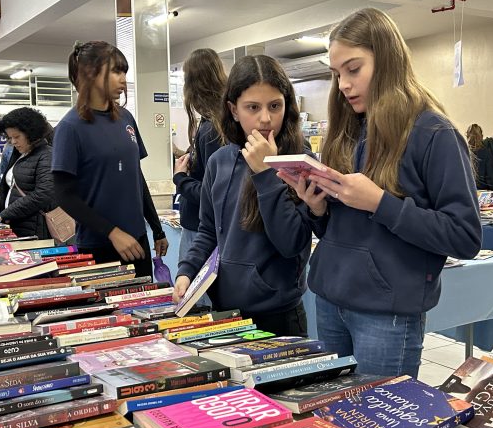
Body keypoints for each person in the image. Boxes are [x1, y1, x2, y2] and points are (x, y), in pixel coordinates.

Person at [279, 8, 481, 378]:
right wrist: (318, 210)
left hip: (386, 315)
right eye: (337, 73)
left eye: (353, 69)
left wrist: (380, 203)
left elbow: (465, 237)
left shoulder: (434, 133)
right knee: (333, 422)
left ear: (387, 61)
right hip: (328, 299)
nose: (343, 84)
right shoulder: (348, 130)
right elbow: (338, 232)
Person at [174, 55, 312, 337]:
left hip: (278, 315)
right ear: (233, 110)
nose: (265, 118)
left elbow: (292, 243)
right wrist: (187, 271)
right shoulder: (221, 161)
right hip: (225, 314)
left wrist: (265, 173)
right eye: (253, 107)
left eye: (275, 106)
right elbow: (208, 231)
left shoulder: (299, 161)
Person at [52, 41, 168, 279]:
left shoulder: (126, 118)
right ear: (91, 74)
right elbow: (64, 195)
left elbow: (136, 178)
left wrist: (156, 229)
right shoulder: (70, 127)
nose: (124, 79)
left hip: (137, 241)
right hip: (99, 246)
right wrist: (112, 232)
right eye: (116, 71)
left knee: (146, 310)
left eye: (124, 71)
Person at [173, 48, 226, 265]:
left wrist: (181, 179)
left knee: (194, 296)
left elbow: (213, 194)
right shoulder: (214, 124)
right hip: (207, 229)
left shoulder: (213, 129)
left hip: (201, 232)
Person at [0, 107, 56, 239]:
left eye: (17, 137)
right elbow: (12, 189)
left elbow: (43, 193)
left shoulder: (46, 155)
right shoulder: (19, 154)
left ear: (31, 133)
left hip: (35, 229)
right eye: (10, 137)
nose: (13, 142)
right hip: (19, 225)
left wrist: (6, 213)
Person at [466, 123, 492, 190]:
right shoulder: (486, 152)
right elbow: (489, 174)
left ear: (467, 135)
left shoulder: (463, 151)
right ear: (481, 136)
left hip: (467, 187)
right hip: (483, 188)